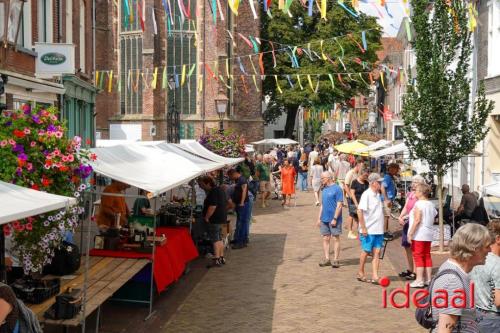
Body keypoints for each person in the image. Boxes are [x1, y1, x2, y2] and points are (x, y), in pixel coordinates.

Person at [430, 224, 492, 333]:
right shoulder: (453, 281)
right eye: (487, 246)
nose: (490, 250)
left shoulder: (456, 272)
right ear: (474, 248)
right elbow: (444, 330)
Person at [470, 219, 500, 332]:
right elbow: (498, 301)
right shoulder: (498, 264)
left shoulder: (477, 258)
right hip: (494, 320)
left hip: (476, 314)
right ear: (498, 239)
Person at [407, 183, 437, 288]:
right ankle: (428, 279)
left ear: (421, 192)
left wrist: (410, 233)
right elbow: (434, 216)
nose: (414, 192)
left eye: (416, 190)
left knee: (418, 256)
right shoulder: (431, 204)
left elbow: (417, 220)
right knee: (427, 256)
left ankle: (419, 279)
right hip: (428, 233)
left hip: (419, 234)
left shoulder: (419, 204)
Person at [357, 173, 385, 284]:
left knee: (377, 252)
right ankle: (360, 271)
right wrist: (363, 228)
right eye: (379, 182)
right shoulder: (366, 195)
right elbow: (360, 211)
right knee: (366, 250)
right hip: (369, 229)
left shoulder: (378, 194)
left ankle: (375, 276)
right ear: (373, 183)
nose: (381, 184)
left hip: (378, 229)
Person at [397, 175, 426, 281]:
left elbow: (416, 211)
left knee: (414, 248)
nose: (413, 184)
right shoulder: (410, 194)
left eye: (416, 182)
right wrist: (401, 216)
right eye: (413, 181)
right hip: (406, 223)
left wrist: (405, 217)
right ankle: (410, 268)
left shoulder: (420, 196)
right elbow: (406, 207)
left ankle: (415, 271)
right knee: (407, 247)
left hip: (413, 223)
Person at [198, 176, 228, 268]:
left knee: (215, 239)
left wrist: (207, 217)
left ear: (208, 183)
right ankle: (221, 257)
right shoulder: (220, 190)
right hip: (222, 218)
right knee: (219, 238)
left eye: (202, 184)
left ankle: (216, 259)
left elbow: (213, 206)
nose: (200, 187)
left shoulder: (213, 192)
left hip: (215, 219)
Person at [316, 171, 344, 268]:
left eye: (322, 178)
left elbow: (339, 205)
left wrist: (335, 218)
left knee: (335, 238)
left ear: (328, 178)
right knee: (325, 238)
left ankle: (336, 259)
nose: (321, 180)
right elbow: (322, 205)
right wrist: (319, 218)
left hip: (334, 219)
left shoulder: (337, 189)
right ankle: (327, 258)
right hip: (324, 218)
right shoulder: (324, 189)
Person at [227, 168, 250, 249]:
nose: (230, 178)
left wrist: (242, 202)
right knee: (239, 222)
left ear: (233, 174)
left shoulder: (242, 180)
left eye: (230, 176)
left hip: (243, 205)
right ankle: (238, 239)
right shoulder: (237, 180)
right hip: (239, 204)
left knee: (242, 223)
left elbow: (244, 191)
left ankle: (241, 242)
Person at [344, 160, 365, 239]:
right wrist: (350, 196)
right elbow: (346, 186)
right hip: (351, 197)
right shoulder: (350, 173)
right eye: (361, 166)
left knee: (356, 214)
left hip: (357, 197)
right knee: (351, 214)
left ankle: (358, 231)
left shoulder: (357, 174)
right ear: (357, 165)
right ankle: (350, 232)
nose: (362, 168)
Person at [381, 163, 400, 241]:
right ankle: (384, 233)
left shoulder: (390, 177)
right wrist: (386, 199)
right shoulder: (388, 177)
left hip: (389, 199)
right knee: (386, 216)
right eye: (397, 169)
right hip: (386, 199)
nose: (398, 171)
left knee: (387, 216)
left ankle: (386, 231)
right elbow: (382, 187)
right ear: (392, 169)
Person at [349, 170, 369, 240]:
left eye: (367, 176)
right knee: (356, 219)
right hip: (355, 203)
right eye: (365, 176)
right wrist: (356, 204)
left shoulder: (366, 183)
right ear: (361, 174)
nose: (366, 177)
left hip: (363, 203)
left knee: (363, 219)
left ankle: (360, 233)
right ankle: (357, 233)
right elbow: (352, 193)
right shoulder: (355, 182)